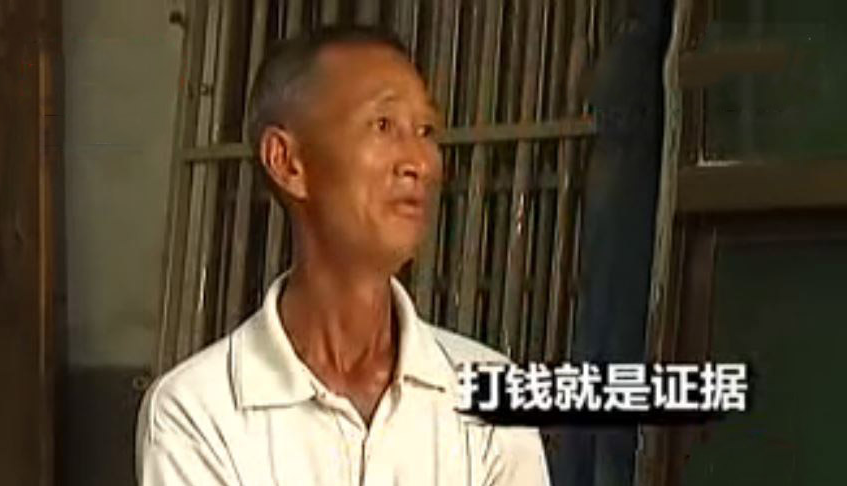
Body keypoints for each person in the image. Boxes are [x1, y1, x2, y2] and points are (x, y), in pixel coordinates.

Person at [136, 25, 550, 486]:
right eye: (383, 125)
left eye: (426, 130)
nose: (420, 161)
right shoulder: (197, 412)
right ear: (287, 162)